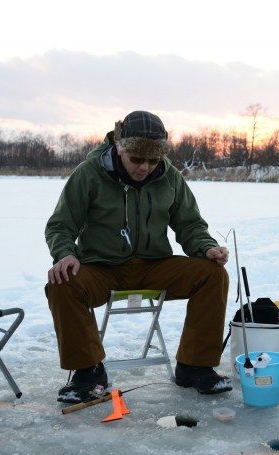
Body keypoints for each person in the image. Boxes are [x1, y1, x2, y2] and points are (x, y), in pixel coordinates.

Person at [45, 110, 231, 401]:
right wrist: (65, 254)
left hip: (153, 265)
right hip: (102, 269)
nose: (145, 167)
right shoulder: (89, 173)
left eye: (153, 160)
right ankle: (88, 372)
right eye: (137, 159)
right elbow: (60, 225)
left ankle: (194, 366)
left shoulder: (170, 176)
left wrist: (205, 247)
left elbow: (189, 224)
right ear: (120, 148)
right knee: (62, 281)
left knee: (212, 274)